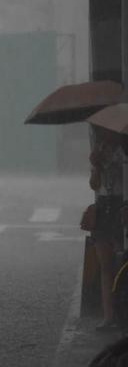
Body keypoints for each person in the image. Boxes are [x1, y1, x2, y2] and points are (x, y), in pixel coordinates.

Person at [89, 129, 126, 332]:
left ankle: (121, 312)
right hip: (103, 206)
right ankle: (108, 316)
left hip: (121, 205)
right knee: (105, 267)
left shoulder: (123, 152)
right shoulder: (98, 154)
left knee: (122, 260)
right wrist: (96, 167)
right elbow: (94, 186)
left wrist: (119, 162)